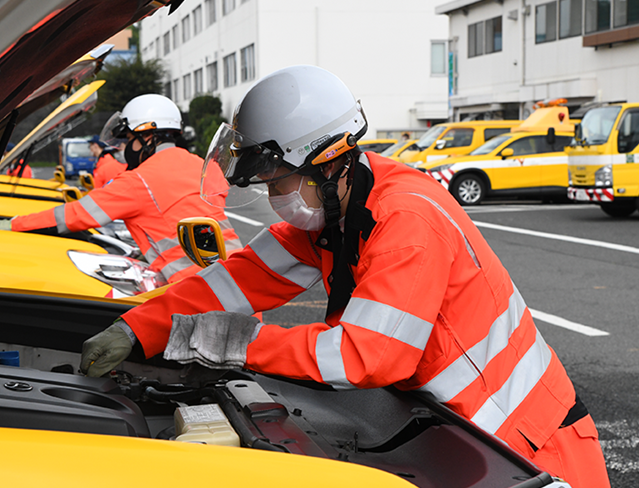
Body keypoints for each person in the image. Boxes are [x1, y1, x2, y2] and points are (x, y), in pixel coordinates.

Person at [79, 66, 610, 488]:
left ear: (328, 162)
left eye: (277, 178)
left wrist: (231, 342)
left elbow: (365, 355)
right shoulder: (337, 212)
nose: (272, 195)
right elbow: (238, 280)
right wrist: (137, 327)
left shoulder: (407, 219)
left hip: (531, 447)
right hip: (460, 439)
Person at [0, 93, 242, 284]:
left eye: (128, 139)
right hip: (236, 281)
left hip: (193, 292)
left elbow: (75, 215)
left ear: (148, 136)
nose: (123, 147)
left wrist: (13, 224)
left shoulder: (139, 181)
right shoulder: (202, 166)